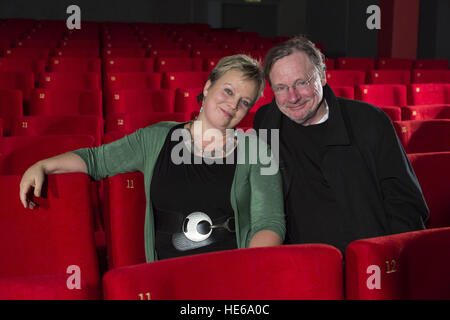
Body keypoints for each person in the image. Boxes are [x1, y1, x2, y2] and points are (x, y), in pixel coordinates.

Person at [20, 54, 286, 262]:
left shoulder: (257, 150)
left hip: (229, 270)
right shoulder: (155, 139)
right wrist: (44, 164)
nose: (233, 104)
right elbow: (96, 161)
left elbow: (269, 223)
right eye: (228, 91)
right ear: (207, 87)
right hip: (165, 275)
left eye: (244, 102)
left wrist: (247, 269)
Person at [253, 36, 429, 253]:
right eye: (281, 87)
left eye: (301, 83)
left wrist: (389, 258)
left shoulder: (370, 121)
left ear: (322, 77)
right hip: (303, 262)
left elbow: (405, 203)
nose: (293, 97)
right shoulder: (266, 123)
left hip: (367, 258)